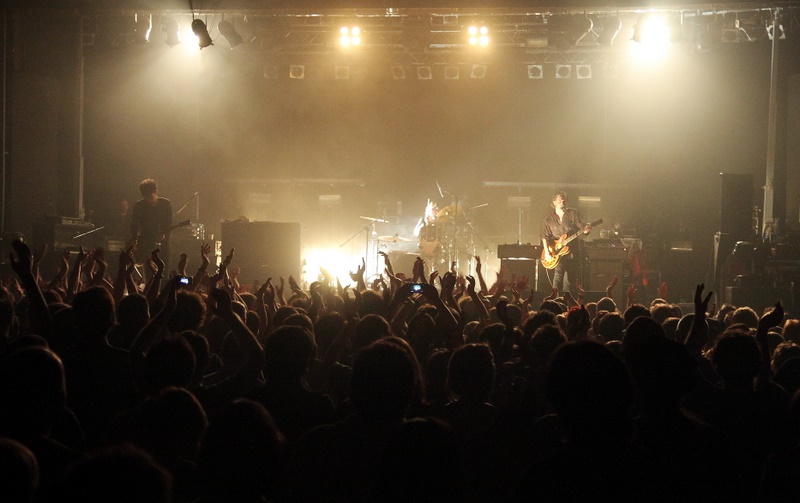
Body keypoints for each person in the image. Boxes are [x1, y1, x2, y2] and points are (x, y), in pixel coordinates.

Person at [130, 179, 173, 272]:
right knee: (149, 272)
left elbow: (169, 223)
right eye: (146, 197)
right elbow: (134, 225)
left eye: (151, 196)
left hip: (163, 243)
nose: (149, 199)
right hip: (146, 243)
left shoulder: (165, 204)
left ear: (156, 191)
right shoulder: (139, 206)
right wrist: (134, 240)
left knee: (164, 270)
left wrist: (165, 235)